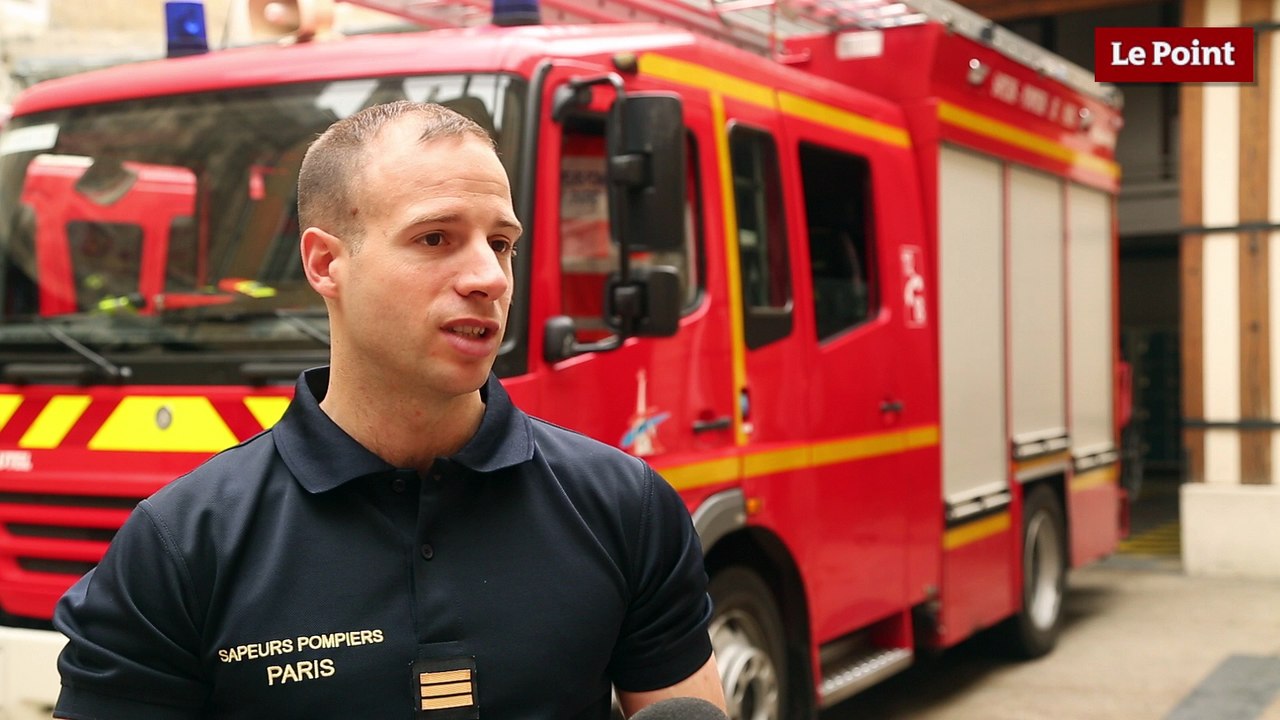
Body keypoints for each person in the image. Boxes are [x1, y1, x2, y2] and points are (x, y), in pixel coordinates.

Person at [52, 101, 725, 719]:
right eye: (435, 238)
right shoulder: (179, 548)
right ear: (325, 263)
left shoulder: (625, 507)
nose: (489, 277)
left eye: (500, 243)